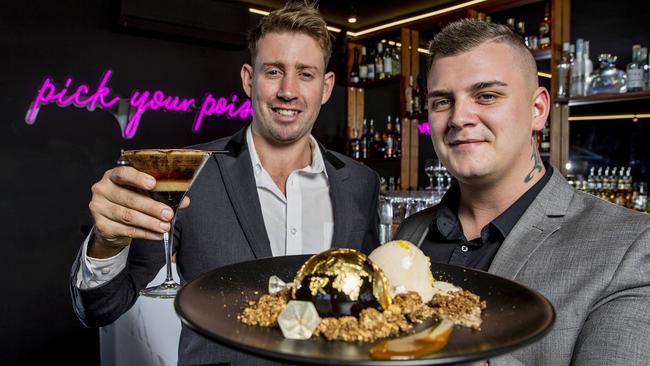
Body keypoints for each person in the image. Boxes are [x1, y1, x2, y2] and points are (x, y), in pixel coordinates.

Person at [69, 2, 380, 365]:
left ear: (326, 87)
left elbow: (370, 300)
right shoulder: (187, 172)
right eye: (274, 71)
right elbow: (101, 308)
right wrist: (107, 243)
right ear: (249, 78)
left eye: (306, 74)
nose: (288, 91)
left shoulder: (361, 182)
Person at [396, 19, 650, 365]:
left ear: (538, 109)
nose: (459, 117)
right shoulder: (411, 233)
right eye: (443, 101)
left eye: (486, 96)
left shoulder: (629, 248)